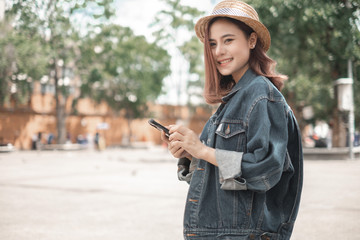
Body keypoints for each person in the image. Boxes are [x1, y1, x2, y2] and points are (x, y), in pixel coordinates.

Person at [160, 1, 303, 239]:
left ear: (252, 40)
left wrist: (203, 151)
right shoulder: (234, 99)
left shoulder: (260, 94)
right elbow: (230, 182)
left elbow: (264, 171)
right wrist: (191, 154)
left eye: (228, 40)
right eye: (213, 44)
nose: (218, 52)